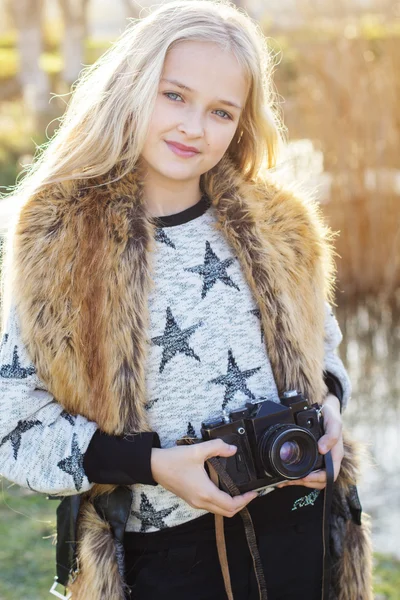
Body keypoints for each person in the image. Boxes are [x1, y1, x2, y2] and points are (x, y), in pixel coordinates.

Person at [0, 1, 372, 599]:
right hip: (165, 558)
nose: (193, 127)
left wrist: (328, 402)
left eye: (220, 111)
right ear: (132, 86)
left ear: (242, 123)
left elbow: (322, 346)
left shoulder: (282, 224)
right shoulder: (60, 240)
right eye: (174, 96)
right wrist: (150, 466)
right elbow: (11, 417)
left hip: (304, 534)